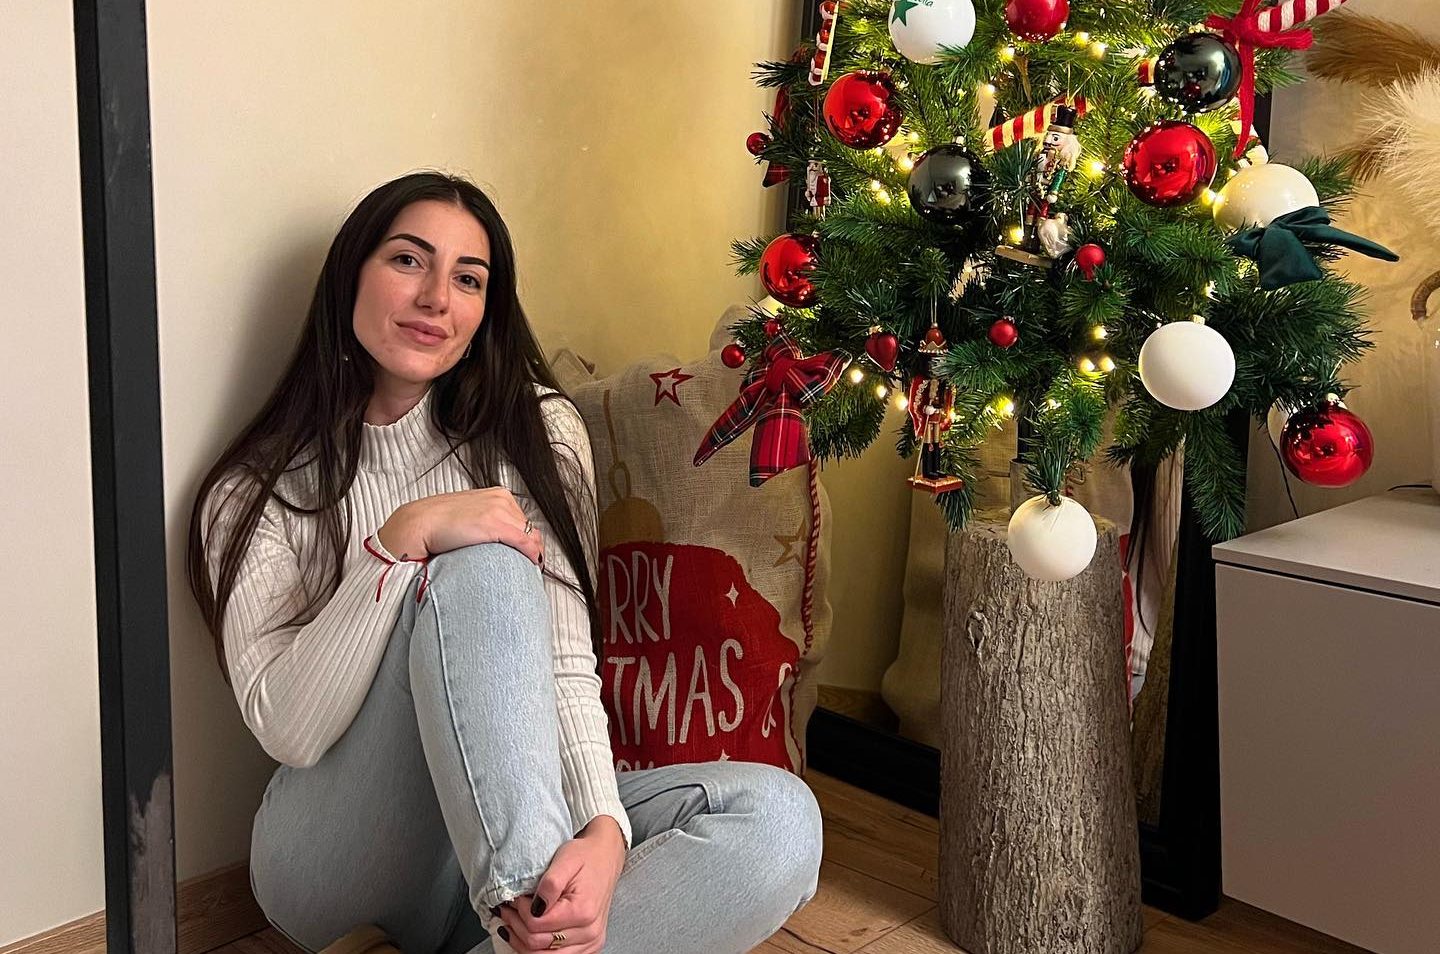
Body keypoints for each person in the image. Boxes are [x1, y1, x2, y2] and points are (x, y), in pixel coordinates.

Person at [186, 171, 823, 954]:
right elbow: (289, 729)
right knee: (484, 564)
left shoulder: (536, 432)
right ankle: (530, 909)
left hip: (509, 832)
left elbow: (565, 665)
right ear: (351, 275)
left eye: (468, 279)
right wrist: (400, 542)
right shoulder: (257, 489)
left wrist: (605, 831)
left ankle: (523, 931)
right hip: (338, 866)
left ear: (486, 310)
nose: (436, 299)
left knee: (780, 820)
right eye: (408, 261)